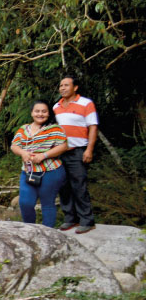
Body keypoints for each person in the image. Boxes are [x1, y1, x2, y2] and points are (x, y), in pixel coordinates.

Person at [11, 101, 68, 228]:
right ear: (32, 113)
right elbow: (14, 146)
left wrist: (44, 155)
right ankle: (30, 231)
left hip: (51, 171)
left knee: (47, 204)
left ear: (49, 113)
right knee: (25, 203)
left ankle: (47, 233)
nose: (40, 114)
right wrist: (22, 153)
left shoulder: (55, 129)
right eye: (37, 111)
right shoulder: (23, 129)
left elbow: (64, 146)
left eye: (44, 111)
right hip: (28, 171)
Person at [53, 75, 98, 233]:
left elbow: (92, 127)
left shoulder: (86, 103)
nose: (62, 88)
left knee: (79, 186)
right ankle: (70, 219)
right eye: (60, 85)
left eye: (66, 85)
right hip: (60, 153)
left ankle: (87, 220)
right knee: (63, 187)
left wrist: (89, 149)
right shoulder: (56, 107)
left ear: (75, 87)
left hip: (79, 151)